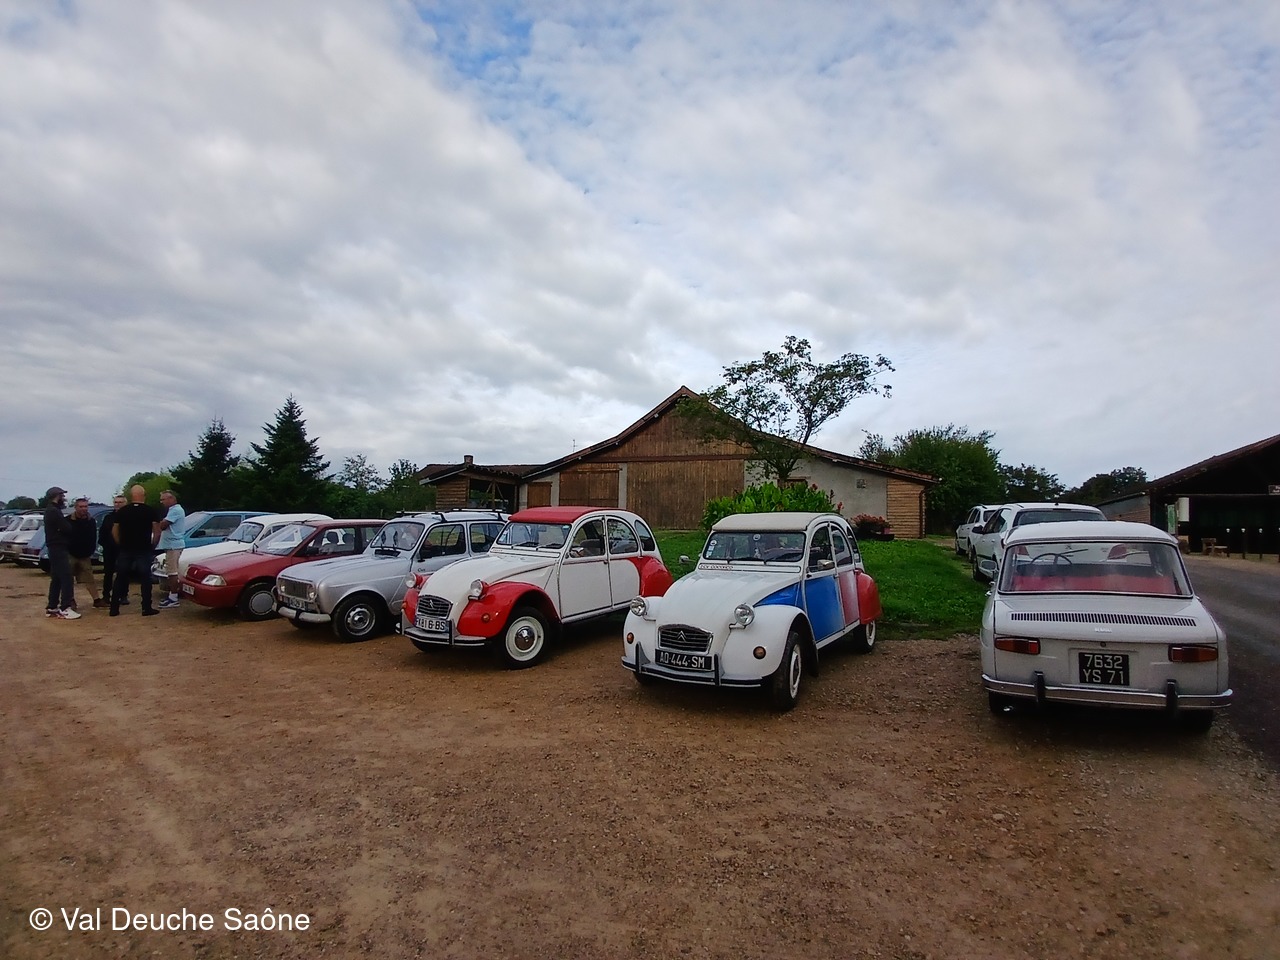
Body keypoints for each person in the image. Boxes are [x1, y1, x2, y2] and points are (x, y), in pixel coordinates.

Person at [110, 485, 160, 617]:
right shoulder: (150, 511)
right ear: (144, 495)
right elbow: (157, 531)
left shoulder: (122, 511)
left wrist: (119, 543)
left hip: (125, 548)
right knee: (145, 578)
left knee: (120, 577)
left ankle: (114, 608)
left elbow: (114, 530)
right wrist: (153, 545)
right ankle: (146, 607)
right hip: (143, 548)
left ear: (131, 496)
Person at [42, 486, 80, 620]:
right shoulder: (54, 511)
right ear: (57, 496)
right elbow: (66, 528)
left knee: (57, 578)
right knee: (66, 576)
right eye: (62, 495)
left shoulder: (50, 510)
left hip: (54, 547)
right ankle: (65, 607)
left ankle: (52, 607)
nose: (63, 498)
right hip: (58, 546)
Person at [67, 497, 103, 608]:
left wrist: (90, 550)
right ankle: (70, 600)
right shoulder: (67, 520)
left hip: (85, 555)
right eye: (81, 506)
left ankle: (96, 600)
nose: (83, 509)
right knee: (68, 579)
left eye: (85, 506)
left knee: (89, 579)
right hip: (70, 554)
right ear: (75, 507)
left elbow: (93, 537)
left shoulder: (91, 521)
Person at [156, 489, 186, 608]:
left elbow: (163, 525)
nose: (161, 502)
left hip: (174, 545)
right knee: (171, 572)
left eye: (163, 499)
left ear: (171, 499)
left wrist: (160, 522)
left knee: (172, 572)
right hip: (171, 545)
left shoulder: (175, 510)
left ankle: (174, 598)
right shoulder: (172, 510)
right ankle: (172, 595)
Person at [99, 494, 127, 604]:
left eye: (120, 502)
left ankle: (123, 595)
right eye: (116, 502)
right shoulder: (108, 517)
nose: (118, 504)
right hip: (109, 549)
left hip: (124, 549)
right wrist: (104, 544)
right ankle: (106, 595)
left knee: (123, 572)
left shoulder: (129, 516)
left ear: (125, 503)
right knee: (108, 573)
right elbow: (103, 532)